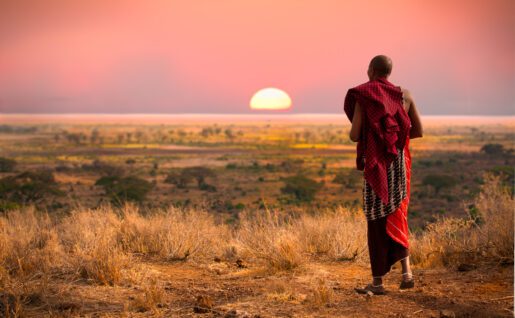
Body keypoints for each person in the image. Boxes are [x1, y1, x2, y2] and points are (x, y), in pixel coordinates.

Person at [343, 55, 423, 295]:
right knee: (397, 215)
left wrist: (372, 134)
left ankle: (377, 283)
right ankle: (407, 273)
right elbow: (417, 130)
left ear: (370, 70)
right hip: (397, 164)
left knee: (376, 221)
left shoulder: (363, 96)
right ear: (389, 72)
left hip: (376, 166)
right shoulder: (404, 95)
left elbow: (354, 135)